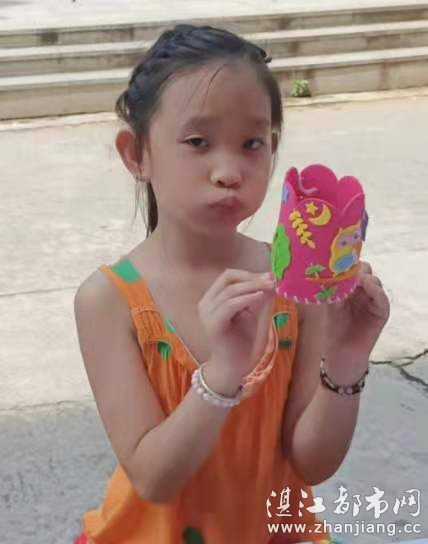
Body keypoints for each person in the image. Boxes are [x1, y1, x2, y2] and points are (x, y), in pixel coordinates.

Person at [73, 24, 390, 544]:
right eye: (198, 142)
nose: (229, 171)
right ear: (136, 154)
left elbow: (311, 463)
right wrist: (221, 374)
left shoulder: (294, 289)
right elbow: (155, 479)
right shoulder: (109, 301)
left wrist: (347, 359)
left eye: (252, 144)